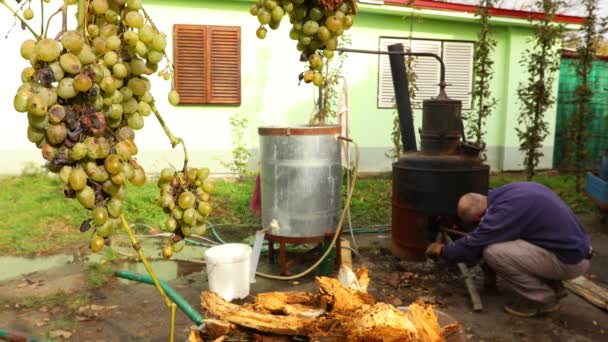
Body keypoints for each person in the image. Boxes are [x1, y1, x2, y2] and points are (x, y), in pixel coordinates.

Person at [425, 182, 592, 318]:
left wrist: (443, 250)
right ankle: (554, 286)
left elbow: (471, 246)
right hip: (574, 249)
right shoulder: (509, 191)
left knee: (493, 252)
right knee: (510, 240)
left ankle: (542, 300)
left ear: (478, 218)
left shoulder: (504, 212)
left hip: (570, 261)